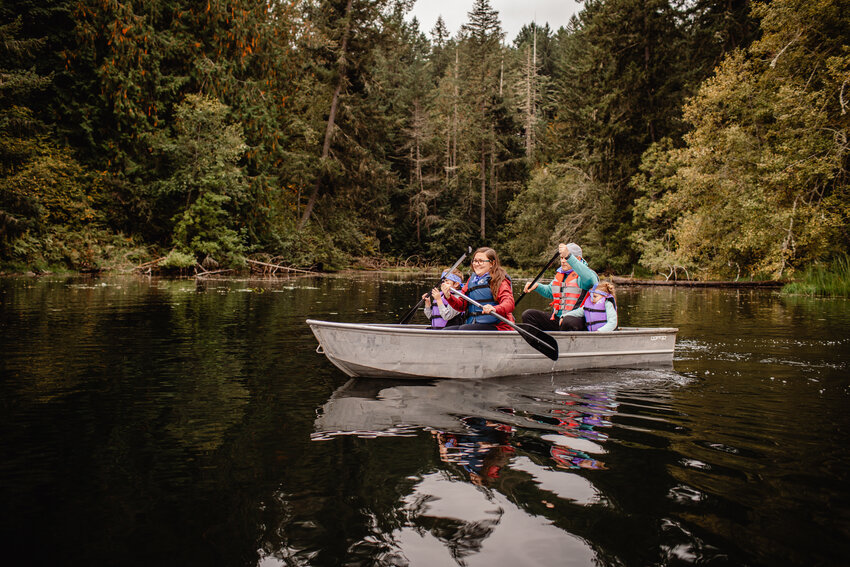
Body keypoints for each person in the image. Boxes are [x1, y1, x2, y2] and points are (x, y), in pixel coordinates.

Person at [521, 242, 598, 331]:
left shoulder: (584, 275)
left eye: (566, 258)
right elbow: (550, 292)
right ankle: (541, 344)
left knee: (568, 321)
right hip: (559, 320)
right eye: (561, 258)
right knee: (528, 315)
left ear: (577, 259)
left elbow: (591, 280)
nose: (563, 261)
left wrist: (569, 256)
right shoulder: (561, 274)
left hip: (578, 320)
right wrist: (537, 286)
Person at [442, 247, 515, 331]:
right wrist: (448, 296)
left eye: (481, 261)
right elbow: (461, 306)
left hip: (499, 326)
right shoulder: (472, 280)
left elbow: (509, 303)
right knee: (447, 330)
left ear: (492, 263)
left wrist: (494, 308)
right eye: (475, 261)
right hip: (475, 324)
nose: (476, 264)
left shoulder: (499, 280)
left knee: (465, 329)